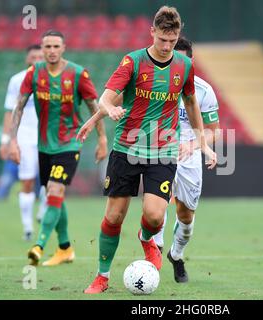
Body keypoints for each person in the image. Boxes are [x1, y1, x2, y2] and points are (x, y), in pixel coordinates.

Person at [79, 6, 217, 294]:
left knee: (155, 216)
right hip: (127, 147)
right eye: (162, 40)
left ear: (177, 35)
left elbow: (191, 103)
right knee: (114, 216)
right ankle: (102, 277)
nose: (167, 47)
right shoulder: (133, 61)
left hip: (163, 149)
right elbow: (106, 97)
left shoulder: (184, 66)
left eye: (172, 40)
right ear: (152, 32)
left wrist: (202, 141)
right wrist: (108, 110)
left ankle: (146, 237)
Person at [8, 30, 107, 266]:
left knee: (53, 191)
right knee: (55, 195)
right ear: (42, 49)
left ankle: (39, 245)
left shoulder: (77, 73)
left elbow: (96, 107)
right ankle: (65, 248)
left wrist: (102, 139)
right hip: (44, 146)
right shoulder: (34, 73)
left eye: (56, 46)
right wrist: (13, 141)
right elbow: (19, 107)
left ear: (64, 48)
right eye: (47, 47)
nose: (51, 51)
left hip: (70, 143)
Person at [152, 37, 220, 283]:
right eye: (173, 59)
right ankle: (155, 255)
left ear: (191, 61)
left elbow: (214, 130)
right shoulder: (154, 84)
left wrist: (196, 146)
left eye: (182, 60)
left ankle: (176, 255)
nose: (177, 65)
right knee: (156, 207)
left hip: (189, 157)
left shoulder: (203, 90)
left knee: (186, 216)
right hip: (159, 151)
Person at [0, 44, 47, 241]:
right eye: (33, 56)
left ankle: (43, 213)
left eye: (39, 56)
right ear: (28, 59)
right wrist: (7, 141)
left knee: (51, 181)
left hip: (47, 136)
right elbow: (9, 112)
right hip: (25, 136)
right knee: (27, 180)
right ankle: (27, 227)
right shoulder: (17, 80)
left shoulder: (54, 79)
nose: (36, 60)